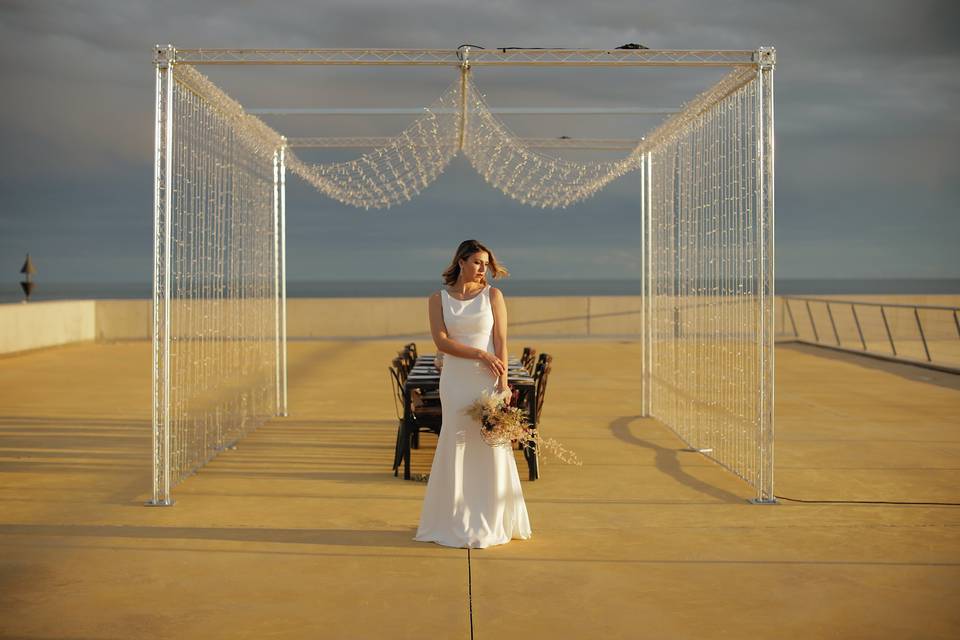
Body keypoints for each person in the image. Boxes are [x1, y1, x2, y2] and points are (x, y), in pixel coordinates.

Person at [413, 239, 532, 548]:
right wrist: (480, 355)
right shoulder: (437, 299)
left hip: (487, 379)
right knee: (456, 442)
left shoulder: (494, 295)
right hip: (455, 380)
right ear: (461, 262)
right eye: (477, 262)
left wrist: (503, 384)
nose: (483, 268)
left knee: (490, 444)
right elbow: (442, 342)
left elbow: (501, 342)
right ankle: (453, 519)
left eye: (485, 262)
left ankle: (494, 517)